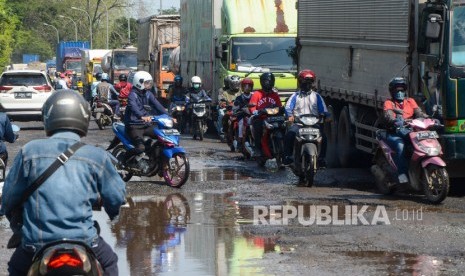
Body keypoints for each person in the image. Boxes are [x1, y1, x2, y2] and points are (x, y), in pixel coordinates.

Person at [1, 90, 126, 275]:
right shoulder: (97, 155)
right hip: (84, 239)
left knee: (15, 268)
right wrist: (113, 213)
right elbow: (116, 196)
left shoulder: (29, 151)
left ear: (48, 117)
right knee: (109, 262)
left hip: (36, 242)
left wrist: (14, 220)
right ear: (83, 117)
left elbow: (10, 197)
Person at [383, 77, 427, 184]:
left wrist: (427, 117)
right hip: (394, 132)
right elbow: (388, 116)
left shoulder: (410, 101)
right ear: (392, 91)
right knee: (400, 146)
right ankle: (402, 174)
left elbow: (419, 113)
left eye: (402, 90)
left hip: (410, 130)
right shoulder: (389, 103)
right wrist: (395, 121)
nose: (400, 93)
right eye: (397, 90)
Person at [123, 71, 173, 161]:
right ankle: (123, 160)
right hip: (134, 125)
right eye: (146, 83)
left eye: (149, 83)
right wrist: (142, 116)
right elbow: (134, 107)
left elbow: (158, 106)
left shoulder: (148, 93)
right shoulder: (132, 95)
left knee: (164, 137)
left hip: (146, 124)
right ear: (139, 83)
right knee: (141, 148)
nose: (148, 85)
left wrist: (169, 116)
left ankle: (155, 159)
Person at [283, 69, 329, 167]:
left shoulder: (317, 96)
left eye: (310, 82)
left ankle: (321, 159)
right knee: (290, 135)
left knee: (324, 137)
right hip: (298, 124)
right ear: (300, 82)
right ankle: (287, 157)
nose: (307, 84)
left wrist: (326, 116)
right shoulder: (295, 96)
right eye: (305, 81)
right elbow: (288, 108)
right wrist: (290, 116)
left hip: (314, 124)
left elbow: (324, 110)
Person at [248, 72, 282, 157]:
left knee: (283, 127)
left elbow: (279, 106)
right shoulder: (257, 94)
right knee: (258, 127)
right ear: (262, 82)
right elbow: (252, 106)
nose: (269, 83)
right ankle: (258, 149)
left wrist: (281, 110)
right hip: (261, 117)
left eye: (271, 81)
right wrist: (255, 112)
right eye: (267, 81)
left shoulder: (275, 95)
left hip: (273, 118)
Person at [232, 77, 254, 151]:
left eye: (249, 86)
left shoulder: (254, 96)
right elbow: (235, 107)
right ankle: (240, 141)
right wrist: (238, 109)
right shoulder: (239, 97)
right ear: (242, 87)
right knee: (241, 123)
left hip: (252, 115)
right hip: (242, 115)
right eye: (245, 86)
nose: (247, 88)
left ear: (251, 87)